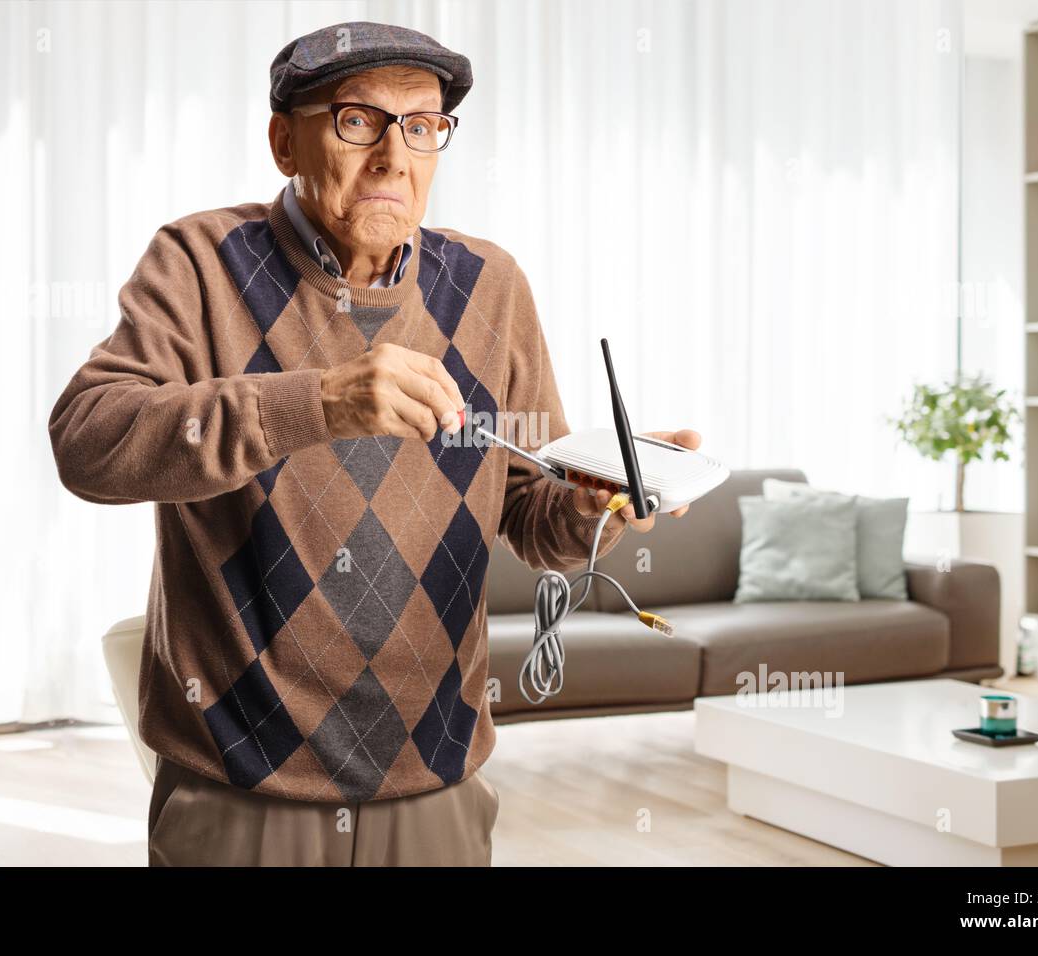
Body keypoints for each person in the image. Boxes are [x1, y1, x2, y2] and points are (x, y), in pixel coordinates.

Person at [49, 20, 700, 866]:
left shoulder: (490, 287)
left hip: (436, 779)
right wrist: (317, 401)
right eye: (359, 120)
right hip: (241, 786)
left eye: (423, 126)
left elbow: (530, 512)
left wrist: (597, 499)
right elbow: (88, 441)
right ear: (285, 140)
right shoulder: (200, 262)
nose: (395, 155)